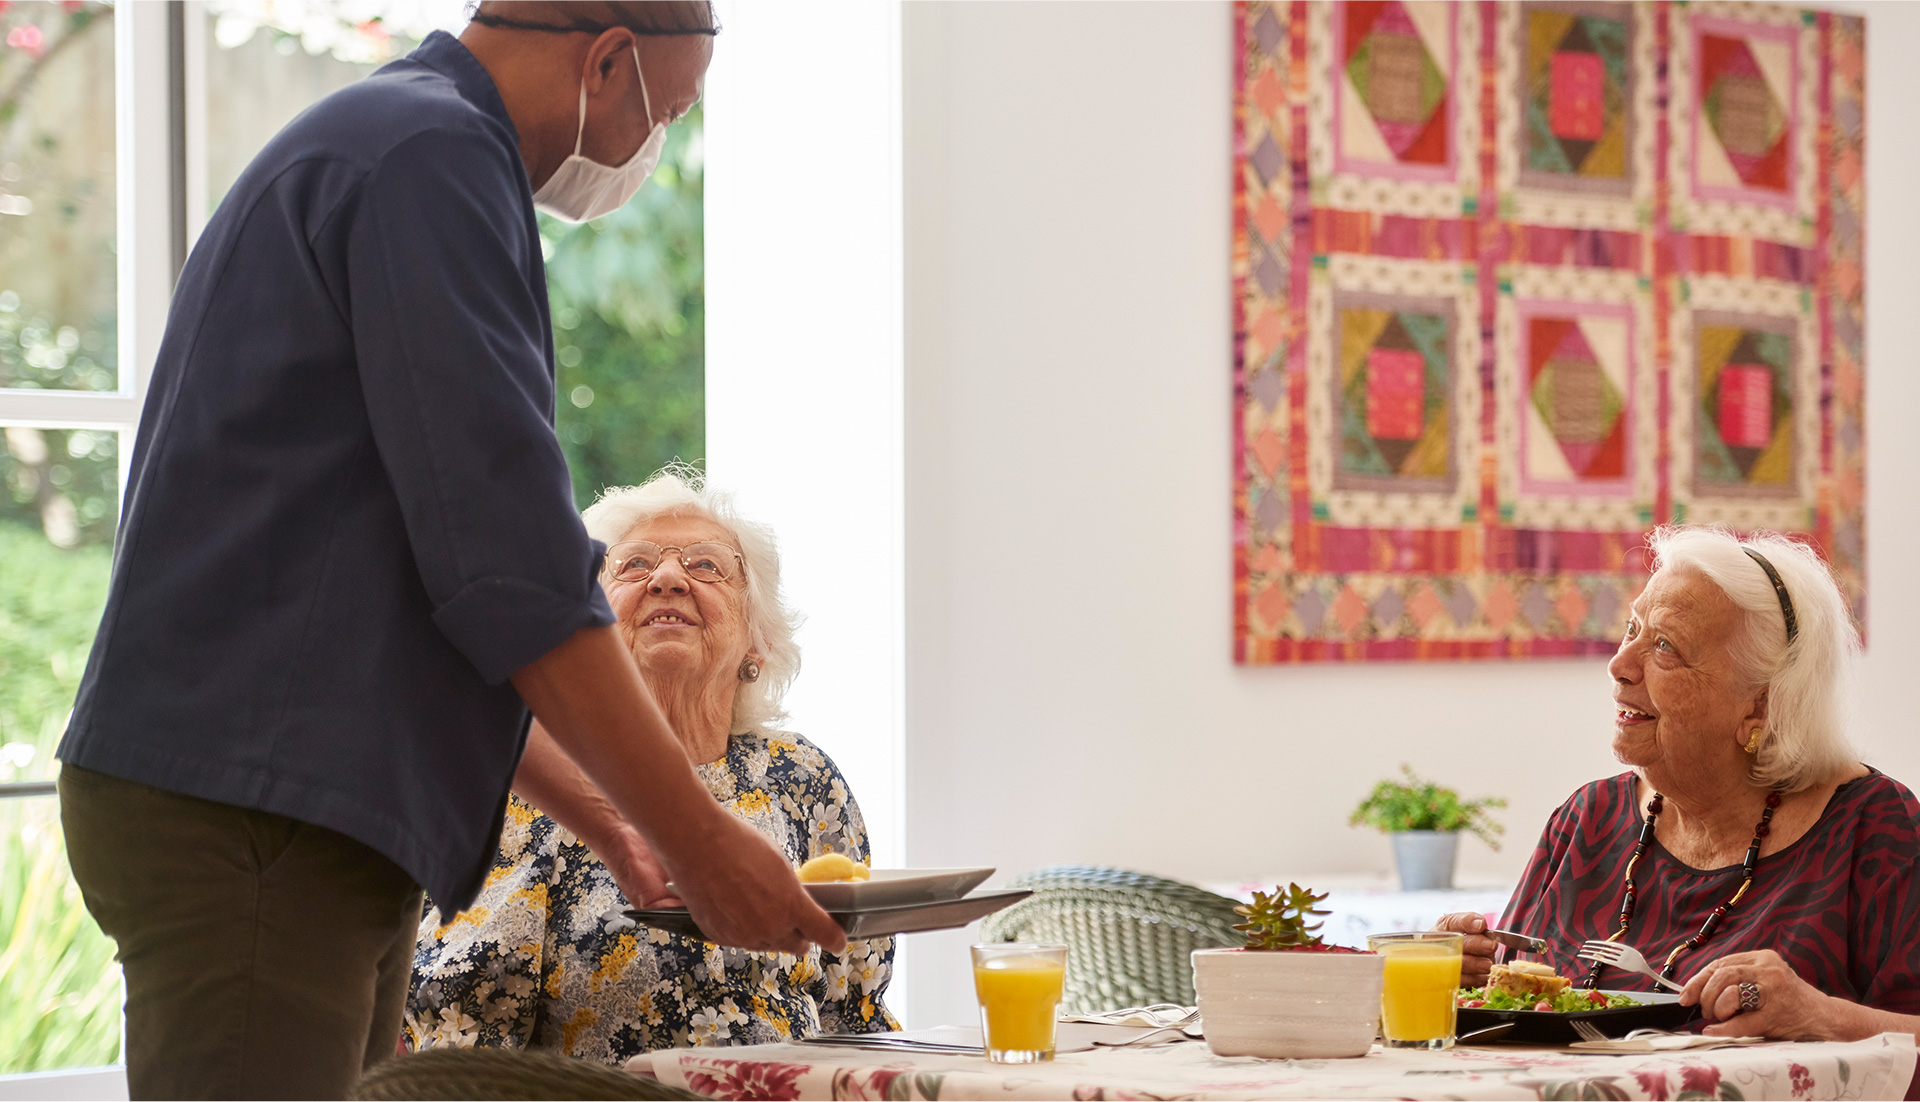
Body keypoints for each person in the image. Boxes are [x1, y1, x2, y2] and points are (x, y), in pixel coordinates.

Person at [54, 4, 839, 1097]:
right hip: (263, 809)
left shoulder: (394, 141)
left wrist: (617, 829)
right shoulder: (432, 164)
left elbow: (432, 588)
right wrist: (697, 839)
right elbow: (511, 577)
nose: (653, 151)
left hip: (295, 804)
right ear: (607, 61)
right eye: (666, 111)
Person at [407, 470, 897, 1059]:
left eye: (707, 566)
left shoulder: (805, 778)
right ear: (587, 635)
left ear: (757, 643)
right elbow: (462, 1013)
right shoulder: (537, 782)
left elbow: (855, 1007)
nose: (668, 578)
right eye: (634, 565)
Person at [1437, 525, 1920, 1035]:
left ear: (1761, 703)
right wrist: (1463, 976)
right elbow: (1502, 1014)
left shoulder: (1875, 832)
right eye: (1631, 629)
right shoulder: (1586, 820)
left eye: (1665, 645)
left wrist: (1821, 1014)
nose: (1619, 666)